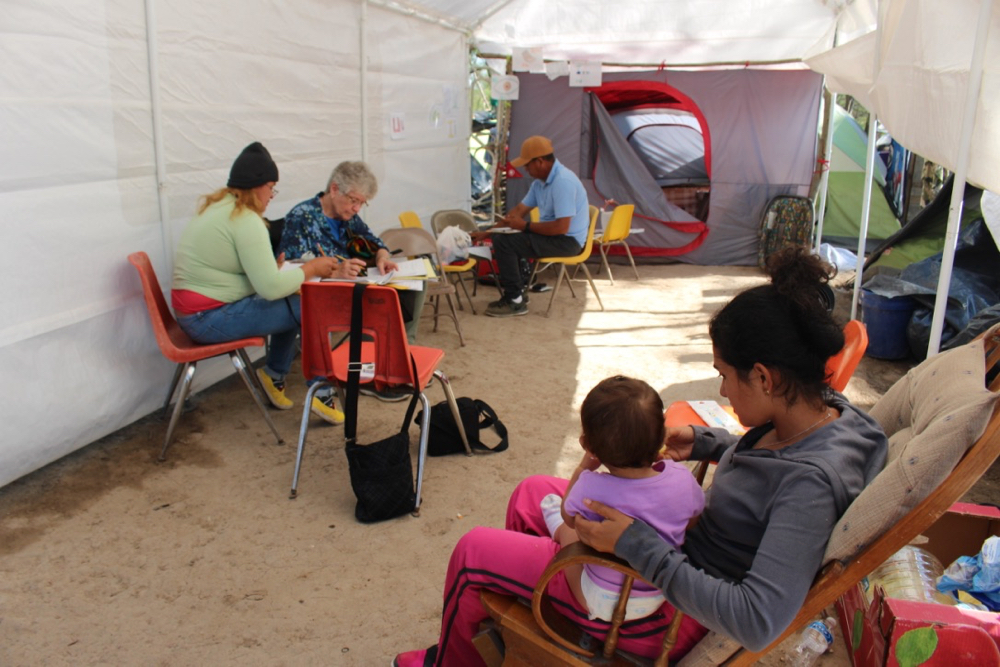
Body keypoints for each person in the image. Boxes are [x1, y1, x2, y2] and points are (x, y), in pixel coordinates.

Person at [393, 246, 888, 666]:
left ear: (763, 376)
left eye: (725, 375)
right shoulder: (829, 415)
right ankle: (536, 631)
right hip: (666, 559)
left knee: (472, 552)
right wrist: (707, 441)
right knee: (531, 493)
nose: (721, 387)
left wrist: (636, 546)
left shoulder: (811, 487)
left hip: (662, 606)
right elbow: (772, 466)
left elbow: (757, 620)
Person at [172, 142, 366, 425]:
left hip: (196, 314)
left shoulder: (220, 208)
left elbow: (251, 278)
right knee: (309, 305)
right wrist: (311, 268)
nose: (272, 196)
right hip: (205, 319)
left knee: (294, 296)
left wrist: (276, 273)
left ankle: (274, 375)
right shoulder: (245, 220)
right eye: (271, 187)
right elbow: (270, 288)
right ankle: (321, 390)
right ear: (257, 186)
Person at [544, 375, 704, 623]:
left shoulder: (590, 486)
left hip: (599, 597)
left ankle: (550, 530)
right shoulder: (683, 479)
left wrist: (583, 466)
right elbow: (692, 520)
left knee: (566, 528)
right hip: (658, 592)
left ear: (587, 444)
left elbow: (569, 516)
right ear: (663, 436)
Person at [278, 160, 425, 402]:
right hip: (320, 294)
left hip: (351, 288)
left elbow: (372, 240)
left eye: (362, 202)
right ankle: (365, 373)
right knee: (379, 302)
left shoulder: (347, 217)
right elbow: (289, 270)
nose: (357, 208)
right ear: (334, 189)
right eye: (354, 200)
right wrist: (334, 272)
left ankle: (392, 364)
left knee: (416, 284)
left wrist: (382, 256)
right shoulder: (301, 217)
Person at [471, 135, 590, 318]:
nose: (525, 169)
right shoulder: (539, 183)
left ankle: (515, 299)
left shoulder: (562, 182)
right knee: (502, 237)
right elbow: (517, 212)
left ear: (540, 162)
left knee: (504, 242)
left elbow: (561, 228)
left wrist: (525, 226)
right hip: (556, 237)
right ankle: (518, 294)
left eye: (527, 165)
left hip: (568, 242)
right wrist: (486, 233)